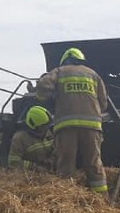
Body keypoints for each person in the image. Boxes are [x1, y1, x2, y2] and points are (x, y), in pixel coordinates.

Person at [35, 47, 109, 195]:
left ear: (65, 60)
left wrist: (43, 98)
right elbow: (103, 103)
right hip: (92, 127)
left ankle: (66, 201)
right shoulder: (94, 75)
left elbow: (43, 85)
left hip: (66, 127)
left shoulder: (60, 71)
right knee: (94, 165)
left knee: (65, 165)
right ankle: (102, 199)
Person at [8, 105, 55, 171]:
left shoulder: (48, 132)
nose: (46, 129)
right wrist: (35, 167)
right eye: (43, 127)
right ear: (33, 125)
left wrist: (51, 160)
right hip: (29, 176)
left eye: (47, 126)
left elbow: (55, 149)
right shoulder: (19, 138)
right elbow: (14, 162)